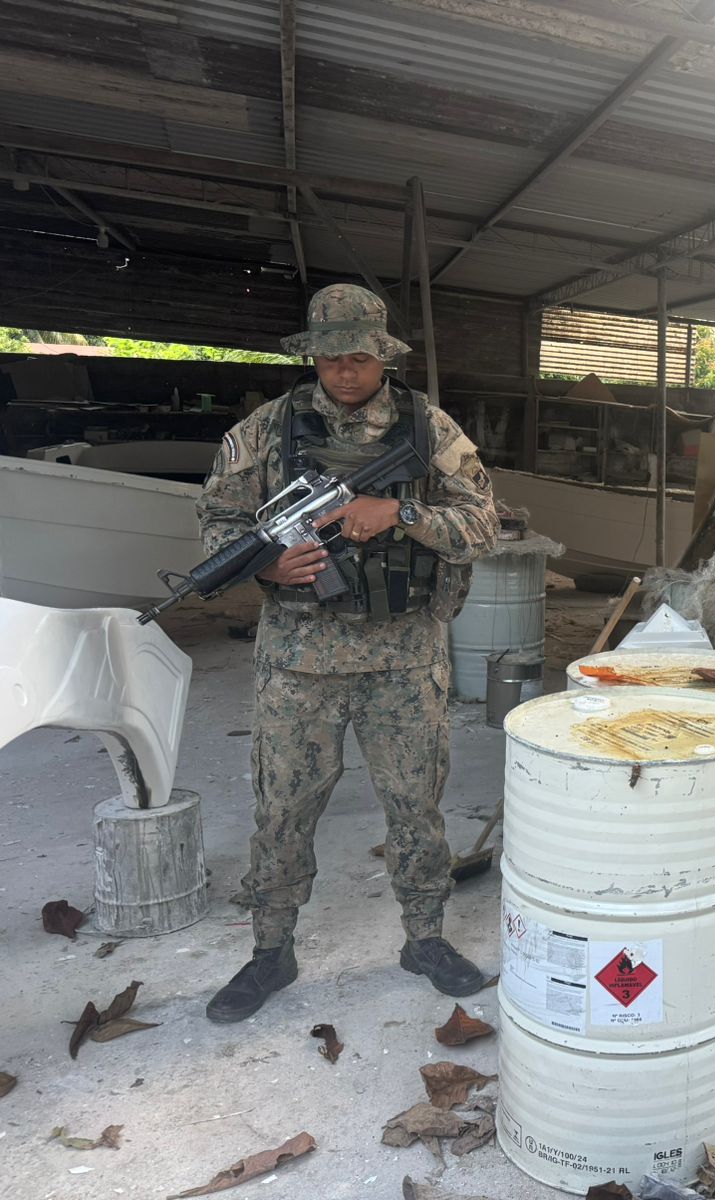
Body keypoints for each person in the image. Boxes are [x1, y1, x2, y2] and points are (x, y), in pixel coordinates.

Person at [198, 283, 499, 1022]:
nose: (343, 372)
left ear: (382, 355)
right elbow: (216, 526)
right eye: (329, 359)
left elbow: (485, 524)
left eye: (357, 357)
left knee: (415, 809)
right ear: (312, 357)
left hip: (404, 658)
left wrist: (397, 511)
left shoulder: (429, 429)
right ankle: (272, 950)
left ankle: (423, 938)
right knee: (282, 811)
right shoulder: (264, 432)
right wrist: (265, 566)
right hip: (299, 662)